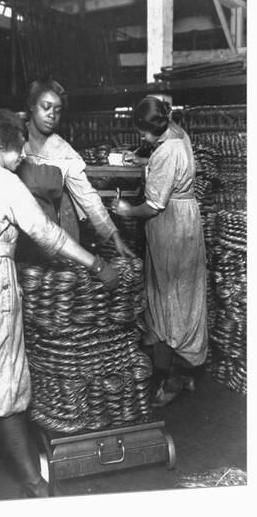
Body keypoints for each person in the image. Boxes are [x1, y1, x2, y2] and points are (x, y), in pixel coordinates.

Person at [0, 109, 121, 498]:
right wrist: (96, 262)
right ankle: (37, 486)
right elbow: (47, 235)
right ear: (2, 144)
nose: (24, 155)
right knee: (5, 380)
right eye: (19, 147)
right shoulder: (6, 184)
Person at [111, 96, 208, 407]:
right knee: (180, 294)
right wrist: (142, 162)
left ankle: (176, 377)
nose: (142, 139)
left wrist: (125, 210)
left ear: (151, 130)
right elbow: (170, 169)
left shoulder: (166, 151)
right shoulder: (178, 134)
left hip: (171, 227)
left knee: (172, 299)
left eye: (143, 134)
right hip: (185, 219)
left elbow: (153, 205)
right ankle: (181, 369)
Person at [21, 78, 134, 257]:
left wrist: (114, 236)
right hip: (18, 230)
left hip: (54, 229)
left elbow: (87, 197)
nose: (52, 115)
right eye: (46, 107)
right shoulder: (14, 140)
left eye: (57, 111)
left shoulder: (64, 152)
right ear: (32, 106)